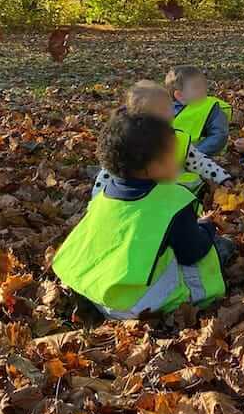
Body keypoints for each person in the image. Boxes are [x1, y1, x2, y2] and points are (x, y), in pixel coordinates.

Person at [53, 111, 229, 319]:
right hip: (141, 305)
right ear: (152, 166)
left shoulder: (104, 195)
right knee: (221, 247)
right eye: (173, 155)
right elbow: (192, 252)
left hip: (93, 292)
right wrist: (208, 227)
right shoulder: (173, 201)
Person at [92, 81, 232, 197]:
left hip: (173, 195)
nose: (172, 113)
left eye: (172, 107)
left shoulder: (177, 139)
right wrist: (97, 201)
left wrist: (221, 177)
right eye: (165, 110)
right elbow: (107, 173)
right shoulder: (127, 143)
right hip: (137, 198)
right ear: (142, 118)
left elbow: (198, 161)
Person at [166, 66, 231, 156]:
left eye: (204, 84)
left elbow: (219, 135)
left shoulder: (212, 108)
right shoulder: (164, 109)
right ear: (180, 95)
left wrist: (195, 154)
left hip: (203, 158)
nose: (204, 89)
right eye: (196, 87)